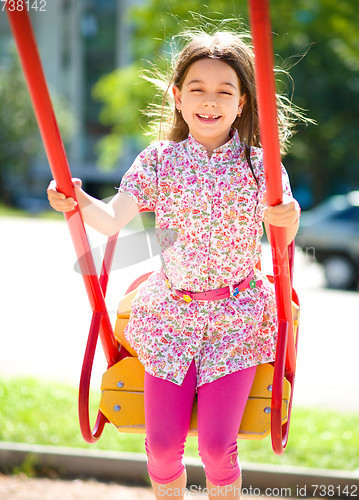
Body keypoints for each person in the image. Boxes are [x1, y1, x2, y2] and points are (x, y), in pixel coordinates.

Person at [48, 29, 301, 500]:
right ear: (177, 97)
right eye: (197, 90)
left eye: (224, 91)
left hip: (235, 320)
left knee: (215, 448)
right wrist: (77, 200)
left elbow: (283, 225)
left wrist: (288, 215)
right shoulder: (159, 160)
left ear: (243, 102)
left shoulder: (259, 165)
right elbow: (109, 221)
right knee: (163, 448)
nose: (210, 102)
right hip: (172, 317)